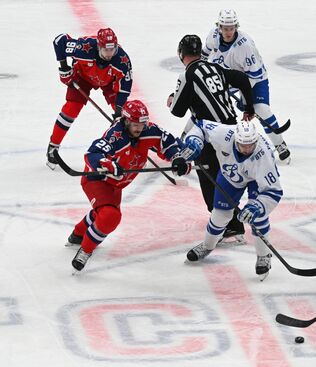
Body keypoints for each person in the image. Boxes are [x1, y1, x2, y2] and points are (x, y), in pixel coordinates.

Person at [66, 100, 192, 272]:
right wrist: (108, 165)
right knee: (110, 216)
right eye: (135, 124)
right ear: (125, 121)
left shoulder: (149, 130)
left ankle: (78, 234)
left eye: (142, 123)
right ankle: (85, 250)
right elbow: (92, 154)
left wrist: (177, 158)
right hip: (98, 181)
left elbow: (169, 143)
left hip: (117, 185)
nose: (139, 128)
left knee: (103, 214)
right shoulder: (115, 136)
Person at [168, 34, 256, 245]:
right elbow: (243, 79)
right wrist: (249, 107)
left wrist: (172, 99)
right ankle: (233, 221)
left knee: (210, 177)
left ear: (181, 54)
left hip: (211, 135)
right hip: (232, 131)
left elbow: (178, 111)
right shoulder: (214, 67)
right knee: (227, 175)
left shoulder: (187, 75)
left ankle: (230, 226)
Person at [177, 119, 283, 281]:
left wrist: (257, 206)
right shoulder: (225, 133)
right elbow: (200, 126)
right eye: (243, 145)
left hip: (256, 180)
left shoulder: (264, 157)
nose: (247, 149)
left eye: (250, 145)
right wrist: (194, 143)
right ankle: (207, 246)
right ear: (235, 139)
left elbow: (273, 191)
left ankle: (263, 255)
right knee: (220, 215)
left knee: (258, 218)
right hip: (230, 177)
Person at [201, 9, 291, 163]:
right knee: (205, 102)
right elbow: (203, 56)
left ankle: (279, 143)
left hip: (253, 79)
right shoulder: (213, 35)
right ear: (219, 27)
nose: (228, 32)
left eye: (231, 28)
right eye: (225, 28)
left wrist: (246, 101)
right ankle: (189, 139)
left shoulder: (245, 46)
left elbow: (252, 77)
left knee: (261, 109)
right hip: (226, 78)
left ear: (236, 27)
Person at [47, 28, 133, 170]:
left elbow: (125, 87)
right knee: (71, 109)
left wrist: (118, 110)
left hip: (109, 82)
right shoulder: (83, 48)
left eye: (112, 50)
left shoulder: (122, 60)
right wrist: (64, 68)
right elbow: (59, 41)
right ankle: (53, 146)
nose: (110, 54)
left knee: (125, 114)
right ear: (98, 46)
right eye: (106, 50)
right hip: (82, 77)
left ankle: (138, 140)